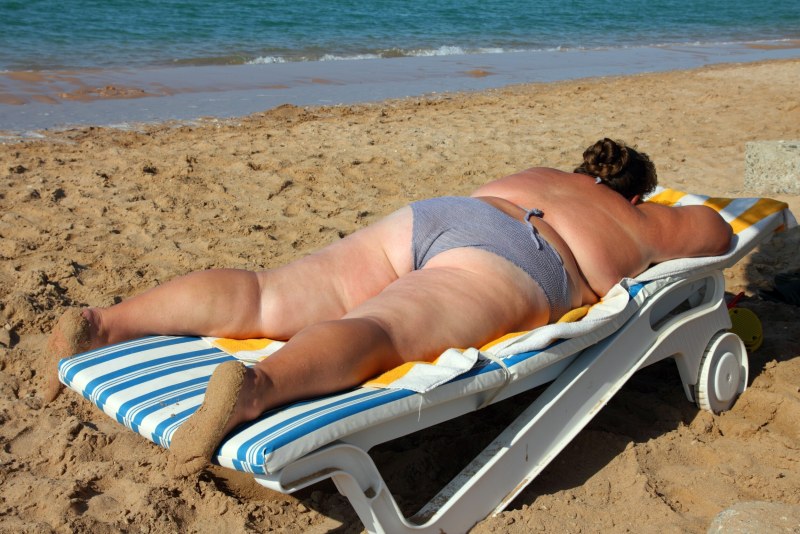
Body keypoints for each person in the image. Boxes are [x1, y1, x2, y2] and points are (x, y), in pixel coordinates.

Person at [45, 138, 732, 477]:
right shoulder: (640, 222)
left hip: (445, 216)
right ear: (636, 193)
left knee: (268, 290)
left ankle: (107, 322)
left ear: (585, 169)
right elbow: (716, 231)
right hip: (523, 258)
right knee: (381, 328)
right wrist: (651, 218)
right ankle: (260, 386)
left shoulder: (544, 174)